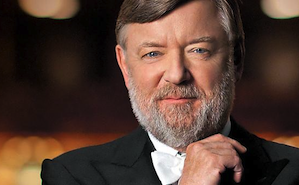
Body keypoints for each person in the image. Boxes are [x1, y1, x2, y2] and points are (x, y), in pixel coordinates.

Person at [41, 0, 299, 184]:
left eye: (199, 50)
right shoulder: (71, 175)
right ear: (125, 67)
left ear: (236, 58)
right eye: (152, 53)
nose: (176, 74)